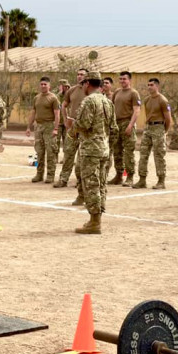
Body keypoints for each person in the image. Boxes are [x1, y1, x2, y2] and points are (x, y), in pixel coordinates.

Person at [74, 74, 113, 234]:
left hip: (91, 149)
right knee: (101, 184)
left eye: (83, 83)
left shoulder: (89, 101)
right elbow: (113, 127)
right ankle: (97, 218)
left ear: (87, 83)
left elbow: (83, 124)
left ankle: (94, 222)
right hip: (104, 148)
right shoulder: (107, 101)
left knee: (91, 184)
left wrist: (73, 125)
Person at [54, 69, 89, 188]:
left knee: (82, 156)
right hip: (73, 127)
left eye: (82, 75)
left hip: (86, 128)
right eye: (78, 74)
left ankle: (80, 181)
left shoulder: (91, 91)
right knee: (68, 153)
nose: (79, 76)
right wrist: (65, 119)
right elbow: (63, 105)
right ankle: (63, 179)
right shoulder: (72, 90)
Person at [134, 77, 170, 189]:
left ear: (157, 86)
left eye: (152, 85)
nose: (149, 87)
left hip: (159, 127)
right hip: (149, 128)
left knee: (158, 155)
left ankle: (161, 180)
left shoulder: (163, 100)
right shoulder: (147, 100)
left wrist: (165, 131)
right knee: (143, 153)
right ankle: (142, 179)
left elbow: (168, 118)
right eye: (148, 85)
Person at [27, 76, 61, 183]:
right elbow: (33, 112)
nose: (43, 86)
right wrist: (29, 126)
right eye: (41, 84)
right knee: (39, 151)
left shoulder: (53, 98)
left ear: (49, 86)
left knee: (51, 151)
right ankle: (39, 174)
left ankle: (50, 175)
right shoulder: (36, 98)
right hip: (39, 126)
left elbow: (57, 114)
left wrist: (55, 128)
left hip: (49, 126)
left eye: (45, 84)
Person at [110, 72, 141, 187]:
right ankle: (118, 176)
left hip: (127, 122)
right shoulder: (117, 92)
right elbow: (112, 108)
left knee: (128, 152)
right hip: (116, 124)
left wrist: (130, 125)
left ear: (129, 80)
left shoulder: (134, 93)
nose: (122, 81)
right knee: (117, 151)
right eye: (120, 79)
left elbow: (136, 111)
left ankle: (129, 176)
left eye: (124, 79)